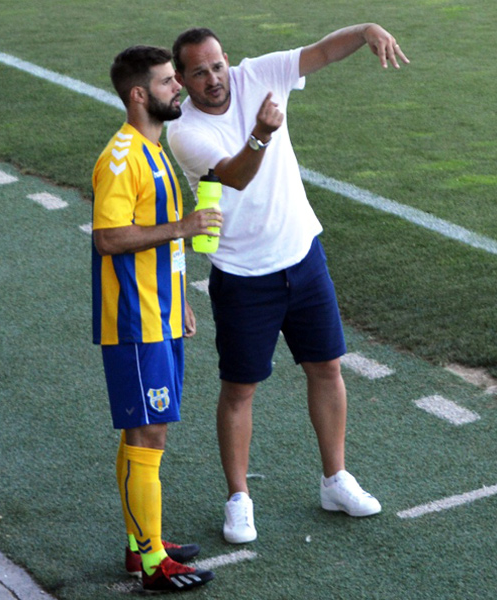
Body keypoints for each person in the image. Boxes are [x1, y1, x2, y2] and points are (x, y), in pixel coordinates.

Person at [166, 24, 409, 544]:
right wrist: (261, 134)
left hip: (303, 255)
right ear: (183, 80)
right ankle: (238, 499)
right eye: (199, 72)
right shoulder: (183, 131)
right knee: (240, 389)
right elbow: (234, 175)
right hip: (242, 274)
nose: (214, 79)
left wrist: (365, 31)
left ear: (226, 58)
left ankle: (335, 479)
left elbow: (321, 52)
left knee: (326, 368)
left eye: (217, 65)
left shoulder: (258, 74)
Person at [92, 45, 222, 592]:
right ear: (139, 94)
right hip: (133, 321)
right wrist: (184, 228)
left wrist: (181, 300)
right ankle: (151, 563)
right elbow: (109, 237)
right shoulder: (120, 158)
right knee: (148, 432)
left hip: (161, 315)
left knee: (146, 432)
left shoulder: (154, 148)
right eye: (170, 81)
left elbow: (156, 239)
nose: (180, 88)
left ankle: (141, 542)